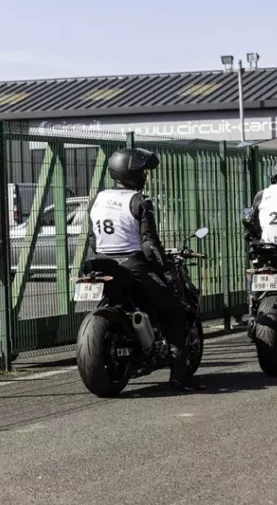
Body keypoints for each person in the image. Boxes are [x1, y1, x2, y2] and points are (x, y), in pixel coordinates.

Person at [88, 147, 205, 391]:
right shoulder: (139, 201)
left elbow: (92, 239)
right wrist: (163, 267)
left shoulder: (97, 199)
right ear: (133, 173)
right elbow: (149, 243)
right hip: (133, 264)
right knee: (173, 310)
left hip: (102, 261)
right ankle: (179, 377)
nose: (145, 176)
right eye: (143, 171)